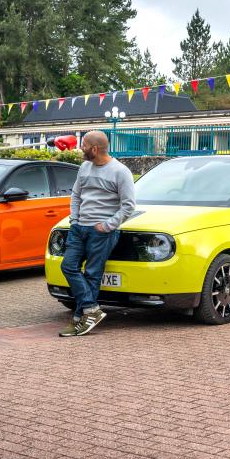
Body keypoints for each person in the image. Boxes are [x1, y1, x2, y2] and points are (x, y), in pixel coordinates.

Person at [59, 130, 135, 337]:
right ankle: (91, 309)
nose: (80, 148)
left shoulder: (121, 172)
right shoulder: (84, 167)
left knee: (93, 273)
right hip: (79, 228)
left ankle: (79, 319)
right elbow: (76, 195)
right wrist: (74, 219)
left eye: (83, 145)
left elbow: (128, 206)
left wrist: (107, 225)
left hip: (102, 232)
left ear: (94, 149)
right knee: (68, 266)